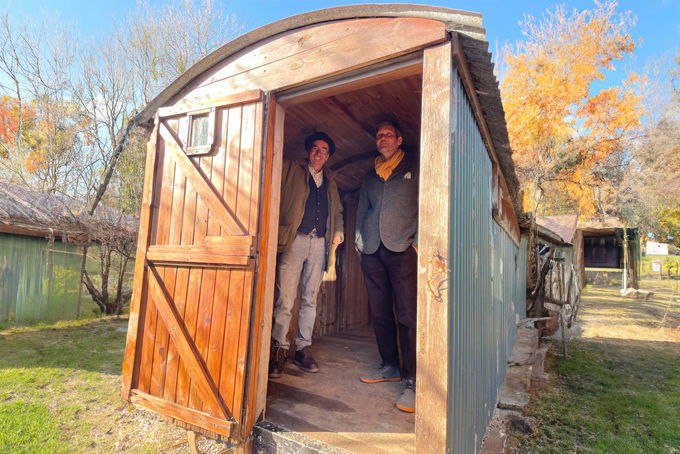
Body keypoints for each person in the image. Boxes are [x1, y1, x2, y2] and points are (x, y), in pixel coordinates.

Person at [269, 132, 344, 378]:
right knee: (285, 298)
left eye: (323, 150)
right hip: (295, 240)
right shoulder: (292, 168)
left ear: (328, 155)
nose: (318, 153)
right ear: (308, 151)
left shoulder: (331, 181)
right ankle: (279, 349)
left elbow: (338, 212)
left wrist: (339, 232)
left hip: (320, 243)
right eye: (315, 148)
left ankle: (303, 348)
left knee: (310, 299)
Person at [355, 120, 419, 413]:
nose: (383, 139)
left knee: (407, 314)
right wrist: (360, 242)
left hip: (403, 249)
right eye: (379, 135)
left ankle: (413, 378)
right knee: (380, 313)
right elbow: (362, 211)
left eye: (388, 135)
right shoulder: (370, 176)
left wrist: (416, 242)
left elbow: (426, 204)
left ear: (399, 139)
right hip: (372, 250)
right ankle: (390, 365)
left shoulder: (414, 168)